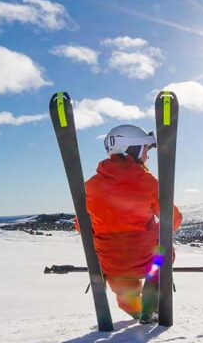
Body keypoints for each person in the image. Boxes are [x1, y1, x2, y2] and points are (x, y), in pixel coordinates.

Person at [75, 124, 182, 323]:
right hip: (146, 259)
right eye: (145, 149)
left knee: (126, 295)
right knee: (165, 252)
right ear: (131, 149)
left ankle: (136, 308)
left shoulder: (90, 186)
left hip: (111, 264)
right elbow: (173, 220)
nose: (147, 156)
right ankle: (153, 290)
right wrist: (155, 230)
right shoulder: (148, 182)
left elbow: (81, 225)